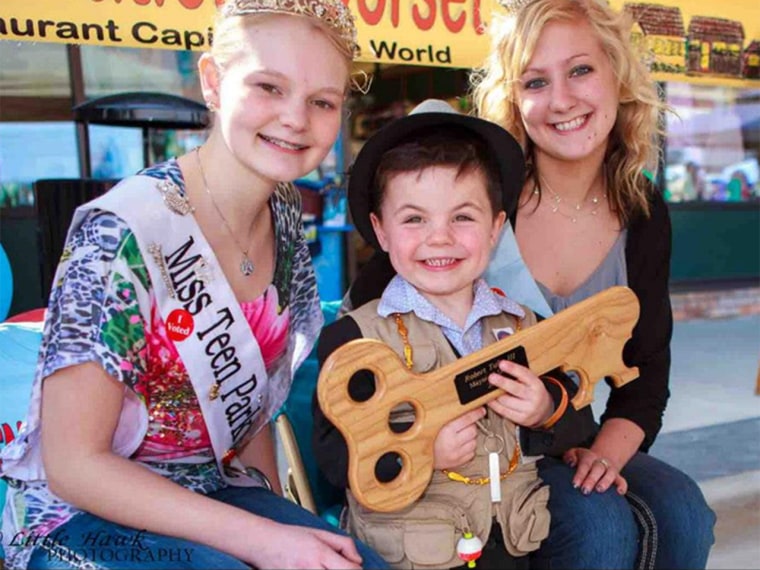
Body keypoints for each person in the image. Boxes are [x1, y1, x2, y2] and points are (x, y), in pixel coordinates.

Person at [0, 2, 388, 569]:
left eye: (322, 102)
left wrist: (282, 522)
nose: (296, 119)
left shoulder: (281, 212)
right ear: (212, 81)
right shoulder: (121, 231)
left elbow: (251, 404)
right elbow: (73, 464)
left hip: (214, 490)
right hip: (79, 516)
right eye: (268, 86)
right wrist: (264, 540)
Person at [346, 1, 716, 569]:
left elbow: (645, 378)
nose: (562, 99)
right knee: (601, 527)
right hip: (467, 454)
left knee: (685, 511)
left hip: (568, 432)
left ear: (618, 75)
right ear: (514, 98)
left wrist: (604, 457)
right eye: (536, 80)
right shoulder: (477, 198)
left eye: (581, 70)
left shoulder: (643, 213)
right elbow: (363, 330)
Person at [313, 99, 581, 570]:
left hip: (514, 544)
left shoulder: (524, 326)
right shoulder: (354, 340)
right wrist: (421, 452)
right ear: (381, 231)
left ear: (497, 227)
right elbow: (335, 463)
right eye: (414, 219)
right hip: (413, 555)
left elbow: (578, 425)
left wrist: (544, 410)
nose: (440, 237)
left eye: (463, 217)